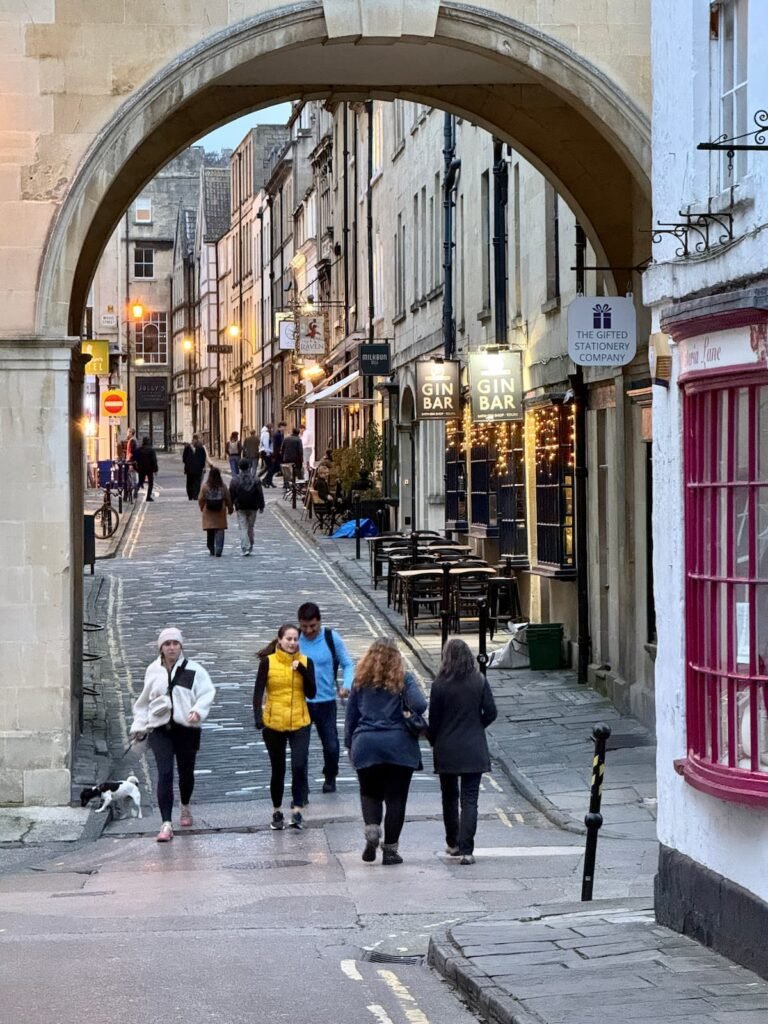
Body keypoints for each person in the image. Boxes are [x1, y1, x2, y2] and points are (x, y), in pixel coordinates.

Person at [344, 638, 427, 865]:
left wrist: (350, 746)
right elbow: (420, 704)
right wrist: (406, 711)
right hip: (399, 746)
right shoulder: (404, 679)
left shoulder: (359, 682)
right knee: (396, 799)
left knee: (369, 793)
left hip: (367, 744)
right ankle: (390, 850)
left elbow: (351, 718)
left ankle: (372, 830)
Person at [129, 627, 215, 842]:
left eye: (175, 643)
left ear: (181, 646)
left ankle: (185, 806)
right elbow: (143, 701)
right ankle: (166, 823)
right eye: (167, 644)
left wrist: (198, 710)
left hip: (187, 728)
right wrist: (139, 725)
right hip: (160, 729)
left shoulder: (194, 670)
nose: (172, 648)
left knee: (186, 774)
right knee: (165, 774)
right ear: (161, 648)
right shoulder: (153, 671)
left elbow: (207, 693)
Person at [427, 639, 498, 865]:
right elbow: (491, 712)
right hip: (472, 748)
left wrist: (433, 740)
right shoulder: (479, 680)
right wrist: (477, 726)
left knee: (449, 797)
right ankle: (467, 850)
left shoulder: (439, 684)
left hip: (447, 749)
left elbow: (434, 721)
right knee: (470, 800)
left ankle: (453, 843)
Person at [253, 624, 317, 831]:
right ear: (279, 640)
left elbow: (312, 693)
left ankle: (297, 811)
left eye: (295, 639)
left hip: (300, 721)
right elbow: (257, 692)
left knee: (299, 766)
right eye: (288, 639)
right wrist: (258, 718)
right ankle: (277, 811)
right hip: (274, 723)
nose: (292, 643)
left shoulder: (306, 662)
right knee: (278, 768)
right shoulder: (268, 662)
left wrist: (303, 671)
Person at [297, 602, 354, 794]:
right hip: (300, 702)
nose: (309, 630)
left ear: (319, 621)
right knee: (300, 751)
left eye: (313, 626)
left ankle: (330, 776)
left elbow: (348, 664)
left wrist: (346, 686)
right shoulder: (293, 639)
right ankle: (301, 789)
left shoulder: (331, 638)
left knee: (331, 747)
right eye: (304, 627)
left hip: (326, 702)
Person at [229, 458, 265, 556]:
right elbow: (260, 493)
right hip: (253, 506)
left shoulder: (235, 480)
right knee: (250, 526)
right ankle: (251, 544)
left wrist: (230, 506)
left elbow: (231, 494)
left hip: (240, 507)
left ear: (239, 467)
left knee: (243, 527)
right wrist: (262, 506)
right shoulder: (256, 479)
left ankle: (245, 547)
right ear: (249, 467)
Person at [198, 466, 233, 556]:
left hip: (208, 511)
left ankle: (211, 547)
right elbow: (228, 498)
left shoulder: (205, 486)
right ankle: (219, 549)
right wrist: (230, 508)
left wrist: (202, 507)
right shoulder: (223, 486)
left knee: (210, 531)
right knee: (220, 531)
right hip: (220, 510)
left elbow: (200, 499)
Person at [182, 434, 208, 500]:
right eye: (193, 440)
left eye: (194, 440)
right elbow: (184, 458)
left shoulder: (200, 448)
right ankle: (192, 495)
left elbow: (203, 458)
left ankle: (194, 495)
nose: (193, 441)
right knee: (192, 482)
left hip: (194, 469)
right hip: (192, 469)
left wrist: (202, 466)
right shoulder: (188, 448)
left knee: (194, 482)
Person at [134, 435, 158, 501]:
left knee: (140, 481)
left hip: (141, 468)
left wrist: (136, 468)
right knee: (150, 483)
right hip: (149, 469)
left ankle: (136, 490)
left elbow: (135, 459)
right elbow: (154, 460)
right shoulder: (151, 450)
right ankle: (148, 497)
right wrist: (155, 469)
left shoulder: (139, 449)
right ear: (148, 442)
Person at [263, 421, 285, 488]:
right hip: (276, 455)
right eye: (284, 427)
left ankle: (267, 481)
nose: (284, 428)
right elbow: (275, 446)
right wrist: (274, 456)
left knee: (275, 469)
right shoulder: (277, 435)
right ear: (280, 427)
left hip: (278, 455)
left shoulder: (280, 434)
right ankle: (266, 480)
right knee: (274, 469)